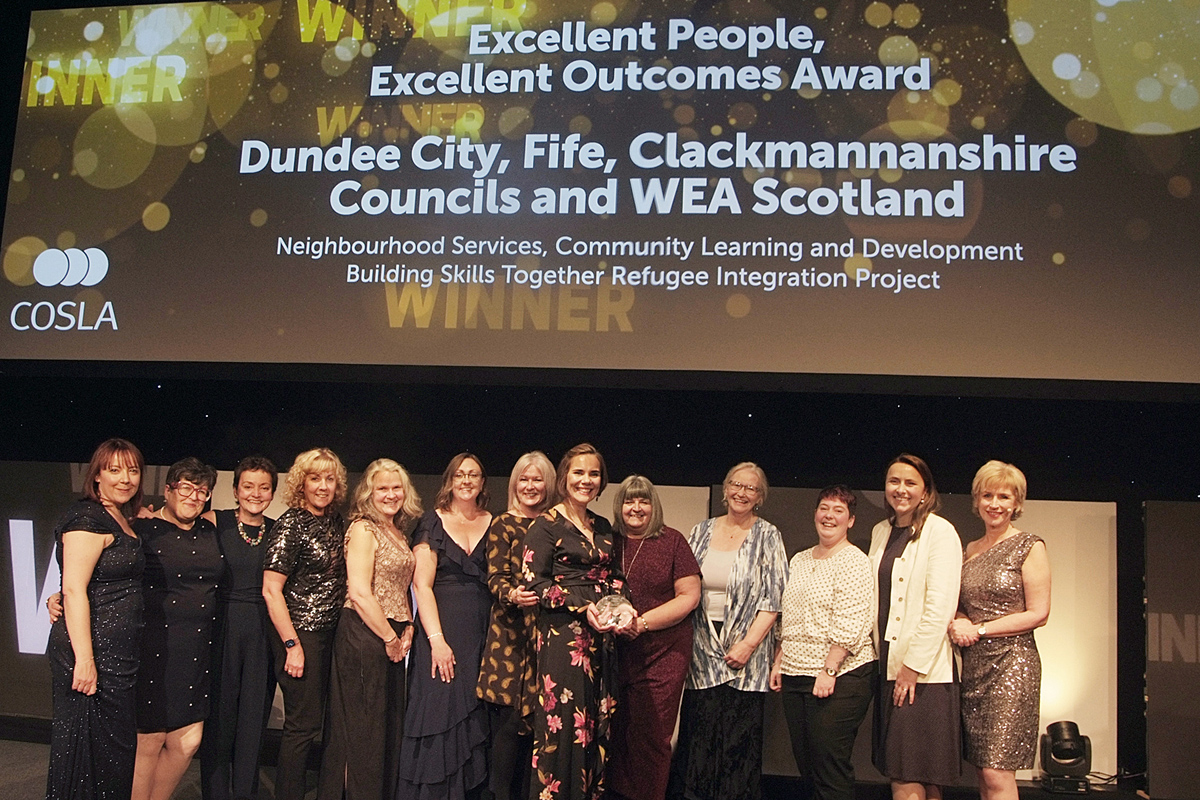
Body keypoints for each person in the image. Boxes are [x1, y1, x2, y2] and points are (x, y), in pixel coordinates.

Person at [667, 462, 787, 800]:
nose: (742, 492)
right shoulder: (700, 531)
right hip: (702, 650)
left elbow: (774, 597)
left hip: (746, 653)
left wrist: (748, 645)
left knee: (738, 742)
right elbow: (683, 584)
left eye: (750, 488)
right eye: (736, 485)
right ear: (725, 490)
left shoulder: (768, 535)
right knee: (699, 737)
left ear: (760, 497)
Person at [522, 443, 630, 800]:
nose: (586, 480)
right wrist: (584, 607)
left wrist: (621, 608)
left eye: (594, 474)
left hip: (603, 637)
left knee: (596, 724)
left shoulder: (602, 525)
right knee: (565, 727)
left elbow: (615, 577)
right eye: (579, 472)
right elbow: (534, 583)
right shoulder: (546, 524)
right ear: (565, 476)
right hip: (563, 637)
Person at [46, 438, 146, 800]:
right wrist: (85, 661)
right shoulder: (86, 517)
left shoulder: (121, 518)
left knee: (112, 756)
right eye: (115, 470)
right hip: (91, 654)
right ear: (97, 475)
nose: (125, 479)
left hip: (118, 654)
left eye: (132, 471)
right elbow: (73, 590)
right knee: (86, 753)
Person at [320, 458, 422, 800]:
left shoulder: (398, 531)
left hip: (391, 633)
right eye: (382, 488)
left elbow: (398, 587)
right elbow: (360, 592)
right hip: (364, 634)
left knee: (382, 729)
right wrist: (390, 637)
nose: (390, 494)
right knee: (361, 731)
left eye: (396, 487)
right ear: (369, 492)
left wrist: (407, 625)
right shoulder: (363, 528)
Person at [949, 461, 1051, 800]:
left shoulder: (1029, 545)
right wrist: (961, 619)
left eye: (1004, 496)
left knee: (996, 770)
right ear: (977, 500)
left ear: (1017, 503)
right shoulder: (969, 550)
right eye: (988, 495)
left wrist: (978, 629)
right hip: (975, 666)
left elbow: (1039, 613)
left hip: (1013, 664)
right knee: (983, 767)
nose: (995, 503)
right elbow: (962, 603)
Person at [770, 486, 877, 800]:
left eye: (838, 510)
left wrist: (829, 669)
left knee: (830, 766)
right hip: (795, 672)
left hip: (841, 676)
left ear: (851, 520)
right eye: (824, 508)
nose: (829, 515)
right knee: (807, 765)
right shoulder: (800, 559)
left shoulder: (854, 561)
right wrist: (779, 660)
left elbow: (852, 618)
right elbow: (787, 616)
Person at [397, 453, 493, 800]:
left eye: (474, 475)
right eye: (460, 475)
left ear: (483, 482)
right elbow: (422, 585)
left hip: (481, 636)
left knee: (473, 716)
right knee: (437, 714)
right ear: (449, 481)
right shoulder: (431, 522)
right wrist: (437, 640)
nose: (466, 481)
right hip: (440, 633)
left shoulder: (494, 523)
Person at [869, 454, 963, 800]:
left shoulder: (940, 532)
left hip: (923, 675)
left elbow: (940, 606)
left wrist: (912, 667)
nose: (901, 489)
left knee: (908, 775)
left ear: (925, 491)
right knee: (919, 776)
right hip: (889, 665)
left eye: (910, 483)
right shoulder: (881, 531)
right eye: (894, 481)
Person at [131, 457, 223, 800]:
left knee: (187, 741)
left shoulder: (211, 531)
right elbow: (109, 573)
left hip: (197, 651)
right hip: (154, 647)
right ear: (169, 490)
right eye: (186, 487)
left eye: (202, 490)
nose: (194, 496)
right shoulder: (142, 530)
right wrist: (58, 595)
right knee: (150, 740)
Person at [607, 475, 701, 800]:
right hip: (614, 653)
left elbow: (689, 596)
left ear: (653, 506)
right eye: (629, 501)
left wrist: (642, 624)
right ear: (619, 505)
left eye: (643, 500)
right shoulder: (607, 541)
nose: (636, 508)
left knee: (652, 737)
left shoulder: (672, 541)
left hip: (663, 654)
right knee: (615, 733)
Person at [262, 448, 349, 800]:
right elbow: (271, 590)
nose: (323, 486)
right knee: (302, 727)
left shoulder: (336, 522)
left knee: (325, 723)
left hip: (333, 632)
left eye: (329, 479)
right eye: (315, 478)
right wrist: (292, 645)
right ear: (302, 482)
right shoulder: (291, 523)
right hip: (301, 633)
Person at [476, 451, 557, 800]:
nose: (530, 486)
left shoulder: (557, 526)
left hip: (549, 638)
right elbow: (494, 577)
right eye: (523, 479)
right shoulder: (503, 524)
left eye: (537, 479)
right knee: (507, 734)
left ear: (549, 484)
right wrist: (512, 594)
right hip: (509, 640)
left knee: (539, 738)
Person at [200, 456, 279, 800]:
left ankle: (245, 792)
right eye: (248, 486)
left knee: (252, 722)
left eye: (264, 487)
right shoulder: (212, 522)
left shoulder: (278, 530)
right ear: (235, 490)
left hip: (263, 631)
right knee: (219, 721)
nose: (255, 493)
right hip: (222, 630)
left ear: (273, 492)